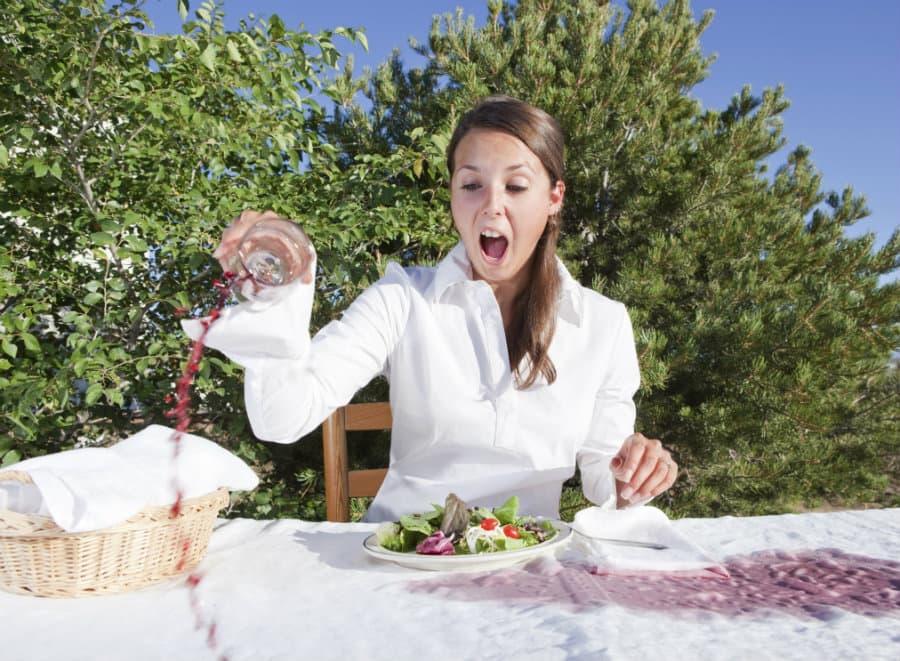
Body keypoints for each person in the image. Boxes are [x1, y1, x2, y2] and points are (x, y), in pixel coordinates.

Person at [184, 95, 677, 522]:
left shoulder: (604, 324)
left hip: (522, 566)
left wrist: (633, 472)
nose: (492, 206)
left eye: (516, 186)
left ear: (554, 198)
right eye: (471, 185)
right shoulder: (403, 299)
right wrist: (278, 292)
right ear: (452, 197)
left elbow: (604, 479)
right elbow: (280, 419)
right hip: (400, 562)